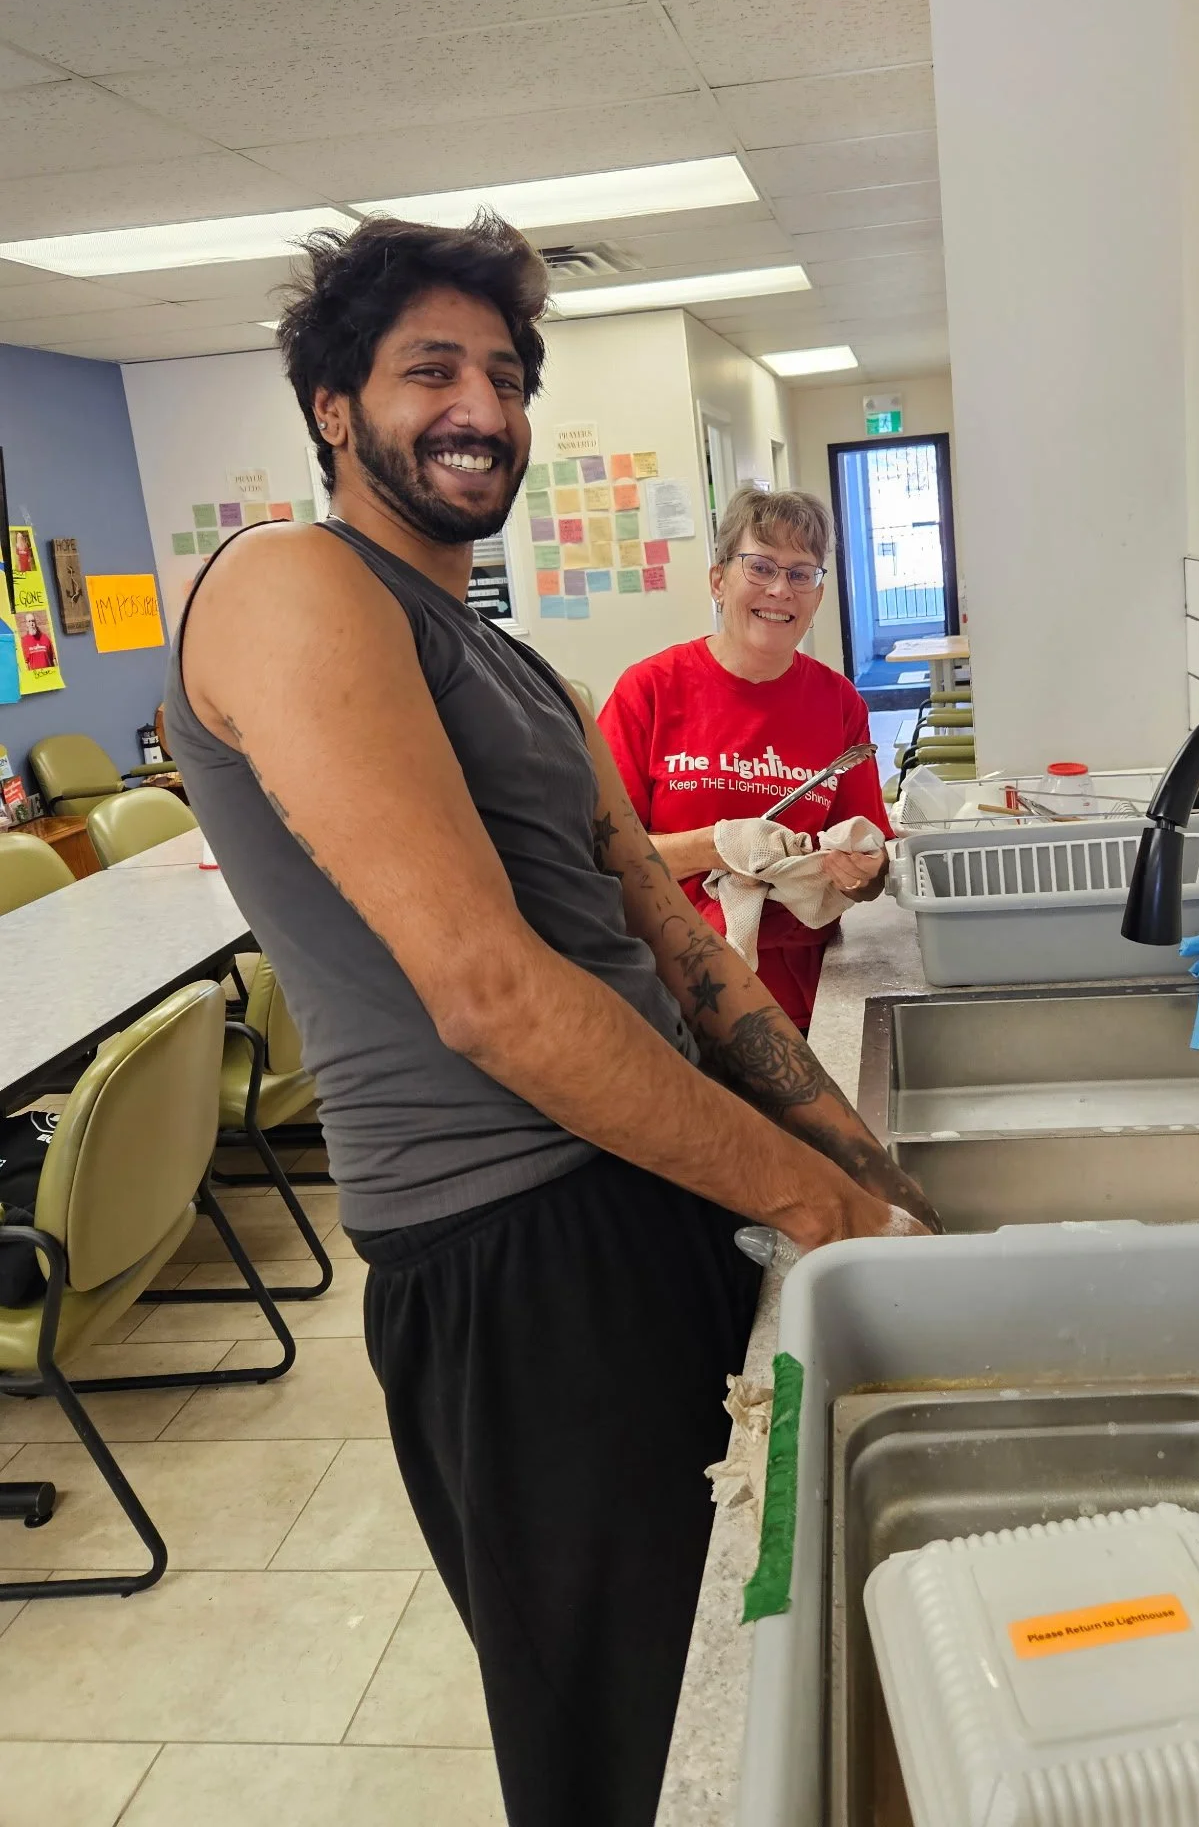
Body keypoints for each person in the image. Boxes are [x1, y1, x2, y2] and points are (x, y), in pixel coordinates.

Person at [164, 212, 937, 1827]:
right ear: (329, 405)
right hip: (514, 1253)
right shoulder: (285, 585)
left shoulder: (517, 666)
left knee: (742, 1677)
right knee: (633, 1740)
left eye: (507, 375)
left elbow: (680, 949)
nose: (484, 406)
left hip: (648, 1186)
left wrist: (881, 1180)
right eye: (430, 368)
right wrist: (818, 1204)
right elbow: (492, 992)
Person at [600, 488, 889, 1032]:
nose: (780, 590)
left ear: (818, 596)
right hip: (671, 985)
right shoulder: (650, 691)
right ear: (718, 581)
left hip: (806, 992)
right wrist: (716, 846)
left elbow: (871, 863)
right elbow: (598, 859)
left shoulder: (839, 703)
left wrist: (863, 870)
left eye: (802, 574)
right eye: (759, 567)